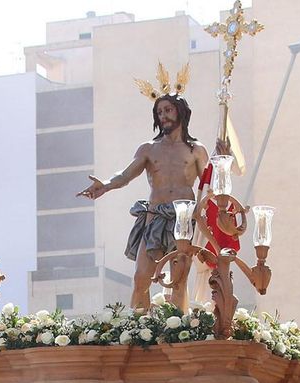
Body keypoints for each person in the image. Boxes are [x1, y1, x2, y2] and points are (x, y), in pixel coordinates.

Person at [77, 85, 212, 309]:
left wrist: (222, 160)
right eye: (159, 112)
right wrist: (106, 185)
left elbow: (209, 185)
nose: (163, 116)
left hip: (183, 218)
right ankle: (138, 325)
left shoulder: (196, 150)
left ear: (180, 112)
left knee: (178, 280)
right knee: (141, 277)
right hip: (155, 216)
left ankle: (179, 326)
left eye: (168, 110)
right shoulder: (149, 149)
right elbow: (125, 175)